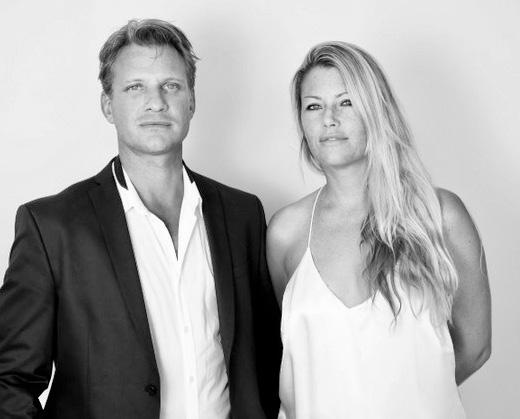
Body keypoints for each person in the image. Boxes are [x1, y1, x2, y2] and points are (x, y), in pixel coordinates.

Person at [0, 19, 281, 419]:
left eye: (171, 85)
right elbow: (9, 382)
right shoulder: (53, 227)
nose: (156, 102)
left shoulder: (242, 215)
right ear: (107, 106)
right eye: (135, 87)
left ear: (191, 101)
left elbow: (267, 361)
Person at [267, 42, 491, 419]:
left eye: (346, 102)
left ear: (376, 110)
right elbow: (294, 354)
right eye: (313, 106)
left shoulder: (439, 215)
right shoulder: (285, 232)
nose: (329, 119)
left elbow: (475, 347)